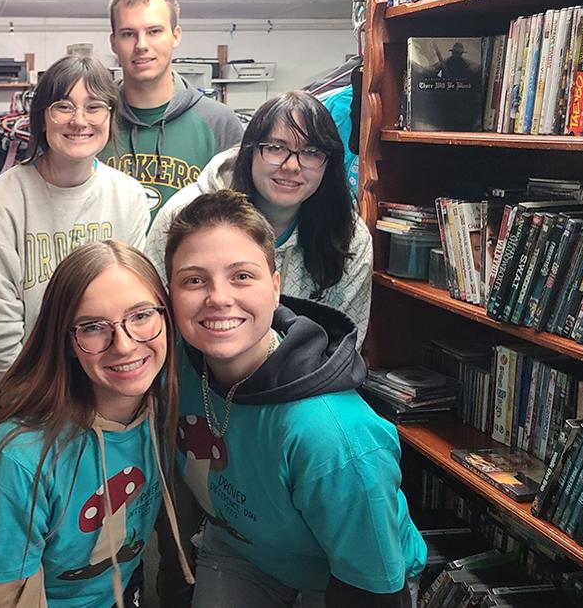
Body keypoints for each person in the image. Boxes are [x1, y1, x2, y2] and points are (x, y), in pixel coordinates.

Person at [164, 190, 426, 608]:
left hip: (340, 582)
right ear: (170, 295)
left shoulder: (333, 438)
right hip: (241, 550)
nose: (218, 297)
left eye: (241, 276)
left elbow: (372, 589)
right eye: (194, 280)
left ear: (275, 288)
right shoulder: (171, 361)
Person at [0, 240, 193, 608]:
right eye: (93, 326)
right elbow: (0, 598)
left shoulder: (166, 405)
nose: (124, 345)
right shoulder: (22, 457)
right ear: (67, 341)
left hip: (113, 590)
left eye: (141, 315)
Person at [0, 55, 151, 418]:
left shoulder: (129, 197)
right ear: (42, 116)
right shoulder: (3, 201)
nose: (79, 120)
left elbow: (132, 310)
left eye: (94, 107)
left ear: (110, 116)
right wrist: (47, 405)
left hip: (98, 401)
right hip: (14, 405)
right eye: (63, 106)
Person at [146, 91, 373, 347]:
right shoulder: (185, 217)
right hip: (194, 370)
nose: (291, 166)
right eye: (276, 148)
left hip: (305, 381)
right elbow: (151, 315)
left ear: (328, 163)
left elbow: (344, 345)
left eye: (310, 152)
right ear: (250, 151)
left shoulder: (348, 235)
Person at [100, 0, 243, 220]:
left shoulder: (220, 122)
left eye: (154, 31)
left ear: (175, 36)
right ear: (113, 41)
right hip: (111, 257)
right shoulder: (94, 120)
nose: (142, 45)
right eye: (128, 34)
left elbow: (238, 217)